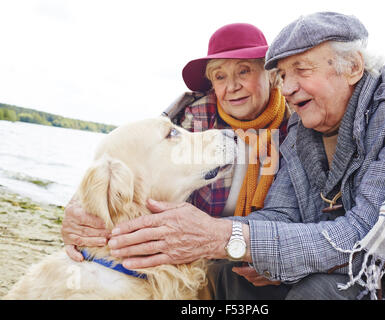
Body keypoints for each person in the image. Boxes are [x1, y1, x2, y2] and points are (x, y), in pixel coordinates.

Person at [106, 12, 385, 300]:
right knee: (224, 275)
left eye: (300, 70)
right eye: (284, 75)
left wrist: (233, 240)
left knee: (313, 292)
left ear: (354, 66)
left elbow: (365, 234)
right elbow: (281, 213)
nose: (288, 88)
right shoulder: (194, 117)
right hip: (310, 250)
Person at [61, 23, 290, 295]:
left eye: (244, 71)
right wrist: (77, 213)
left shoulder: (297, 127)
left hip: (259, 257)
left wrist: (273, 253)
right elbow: (129, 165)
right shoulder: (186, 118)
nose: (232, 86)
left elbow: (305, 214)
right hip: (195, 257)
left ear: (270, 74)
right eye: (219, 76)